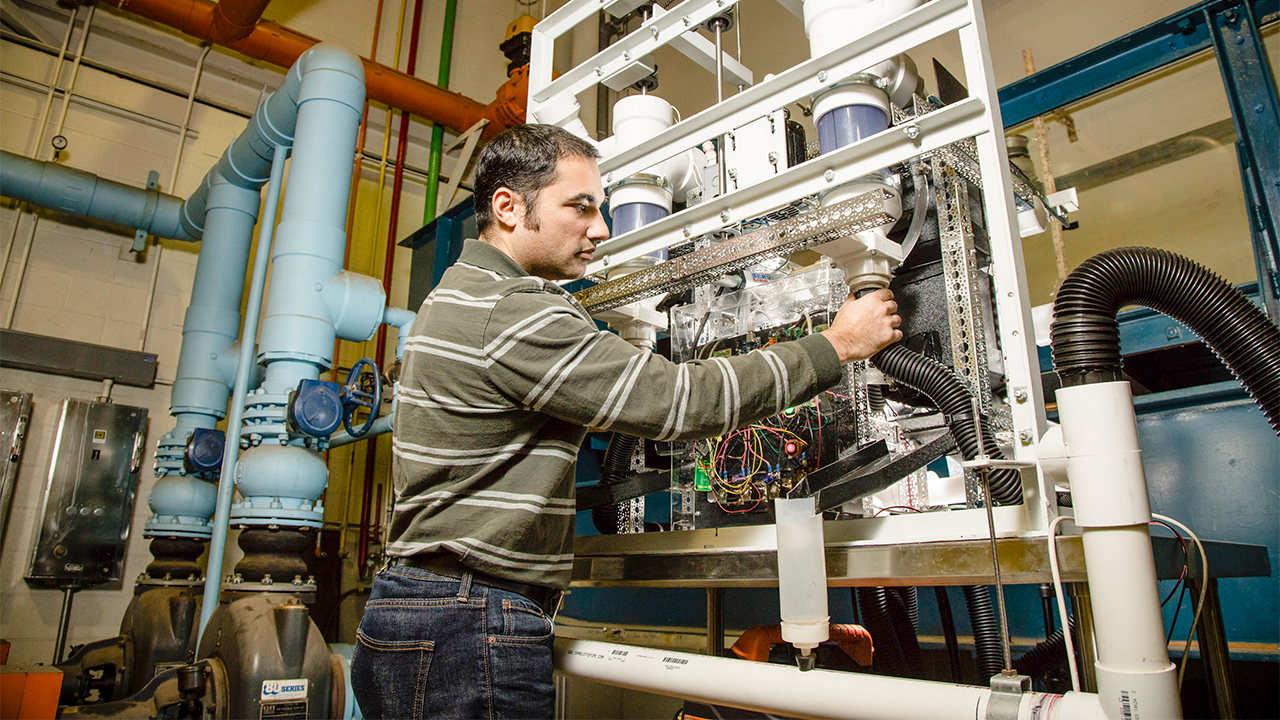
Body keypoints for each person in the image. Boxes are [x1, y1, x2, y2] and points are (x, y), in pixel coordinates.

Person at [350, 124, 902, 719]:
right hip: (468, 620)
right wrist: (835, 345)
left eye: (603, 207)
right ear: (508, 207)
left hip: (424, 612)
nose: (601, 228)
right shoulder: (511, 312)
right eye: (580, 207)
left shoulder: (457, 296)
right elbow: (681, 402)